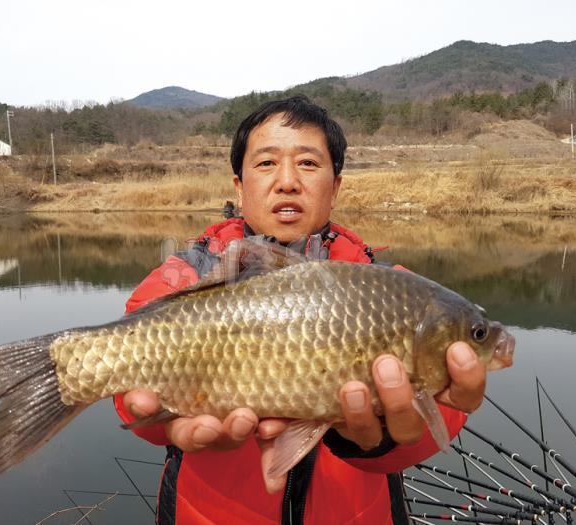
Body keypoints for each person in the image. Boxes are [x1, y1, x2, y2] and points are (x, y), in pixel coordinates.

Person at [113, 95, 486, 524]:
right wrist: (159, 417)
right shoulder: (183, 277)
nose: (287, 181)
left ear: (336, 184)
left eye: (308, 164)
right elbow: (130, 394)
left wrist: (379, 438)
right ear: (239, 186)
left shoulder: (393, 290)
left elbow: (443, 415)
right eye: (267, 163)